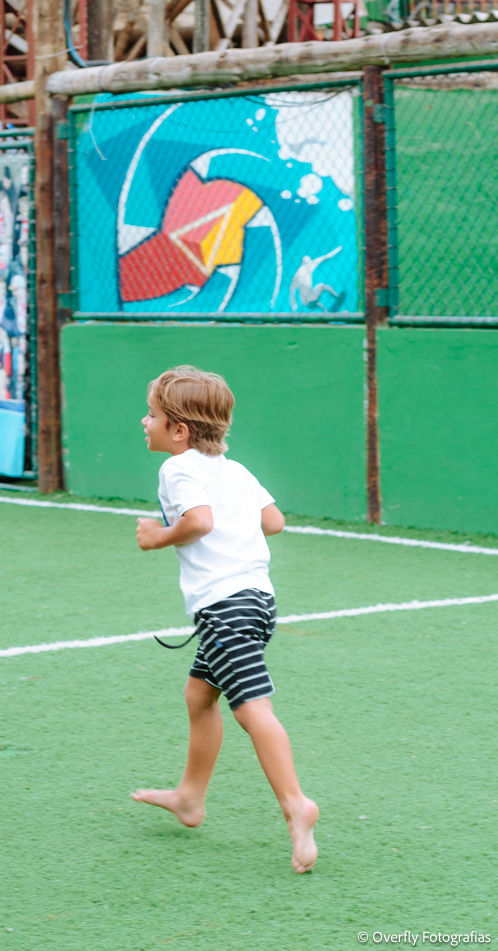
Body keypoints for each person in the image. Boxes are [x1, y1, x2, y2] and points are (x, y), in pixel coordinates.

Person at [130, 366, 319, 874]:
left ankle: (296, 805)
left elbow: (199, 521)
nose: (144, 421)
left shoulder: (178, 469)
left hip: (225, 608)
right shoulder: (234, 470)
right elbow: (274, 521)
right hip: (257, 602)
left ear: (179, 430)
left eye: (152, 414)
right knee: (199, 695)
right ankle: (190, 797)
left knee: (252, 709)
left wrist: (158, 537)